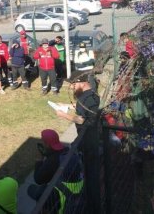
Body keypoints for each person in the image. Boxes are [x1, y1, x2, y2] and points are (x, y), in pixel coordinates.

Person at [55, 70, 101, 211]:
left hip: (88, 142)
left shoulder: (87, 99)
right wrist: (67, 105)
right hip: (88, 139)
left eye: (74, 84)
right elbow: (83, 109)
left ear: (82, 82)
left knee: (90, 173)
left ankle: (91, 203)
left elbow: (85, 120)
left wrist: (64, 115)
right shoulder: (89, 96)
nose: (73, 87)